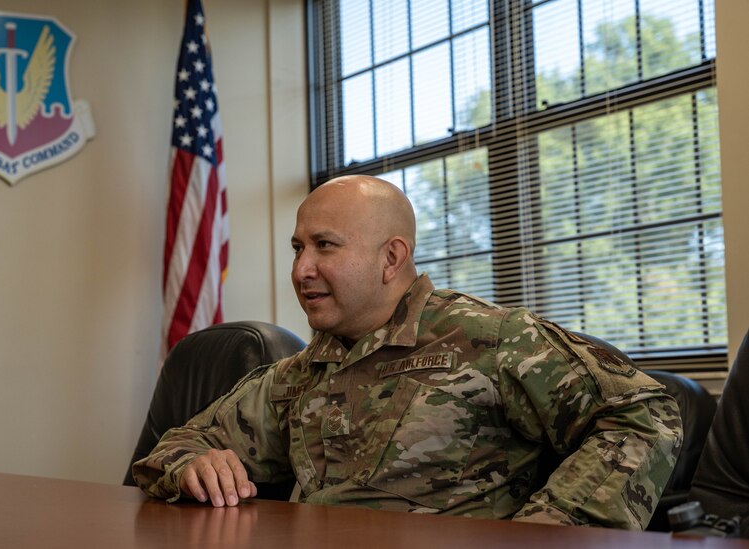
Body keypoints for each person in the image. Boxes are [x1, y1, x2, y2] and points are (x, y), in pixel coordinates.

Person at [133, 175, 683, 529]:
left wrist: (553, 528)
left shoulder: (489, 339)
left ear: (391, 257)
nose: (301, 269)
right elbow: (177, 443)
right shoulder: (302, 372)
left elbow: (644, 414)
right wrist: (189, 464)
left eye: (325, 246)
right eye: (299, 248)